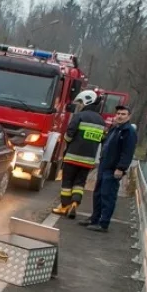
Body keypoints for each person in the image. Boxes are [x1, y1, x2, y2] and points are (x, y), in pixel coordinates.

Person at [80, 105, 138, 232]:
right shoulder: (115, 128)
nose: (120, 116)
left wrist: (121, 168)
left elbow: (127, 153)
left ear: (129, 116)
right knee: (98, 194)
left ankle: (103, 223)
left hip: (113, 169)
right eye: (118, 113)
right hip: (104, 165)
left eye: (123, 114)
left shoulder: (129, 132)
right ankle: (94, 219)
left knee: (108, 195)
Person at [52, 90, 105, 219]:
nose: (79, 105)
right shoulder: (101, 121)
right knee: (80, 183)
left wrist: (67, 141)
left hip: (72, 157)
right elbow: (102, 139)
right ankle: (75, 203)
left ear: (87, 101)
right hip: (89, 160)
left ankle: (64, 206)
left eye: (80, 102)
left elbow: (69, 134)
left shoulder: (80, 116)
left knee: (67, 182)